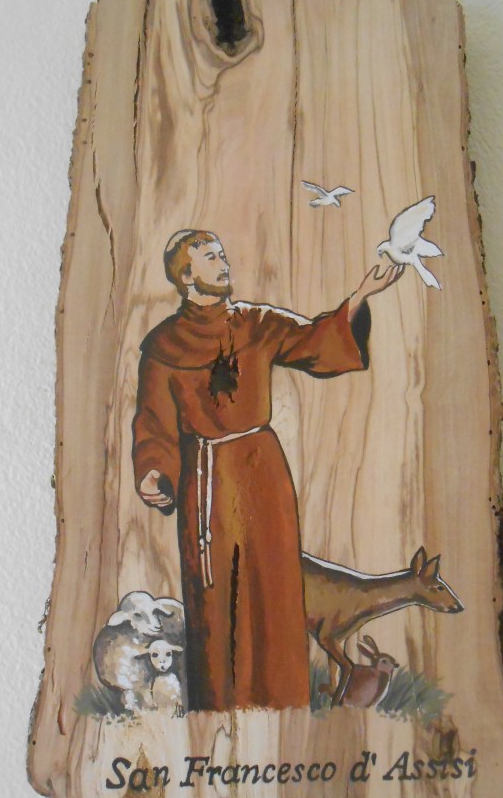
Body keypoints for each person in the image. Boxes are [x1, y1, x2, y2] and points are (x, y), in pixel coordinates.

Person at [132, 229, 403, 711]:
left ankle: (281, 702)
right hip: (205, 483)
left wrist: (362, 295)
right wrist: (155, 472)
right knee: (213, 598)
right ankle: (218, 708)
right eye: (210, 257)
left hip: (261, 473)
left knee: (274, 587)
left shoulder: (256, 323)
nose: (223, 263)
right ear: (187, 276)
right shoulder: (163, 345)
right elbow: (153, 422)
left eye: (222, 253)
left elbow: (314, 341)